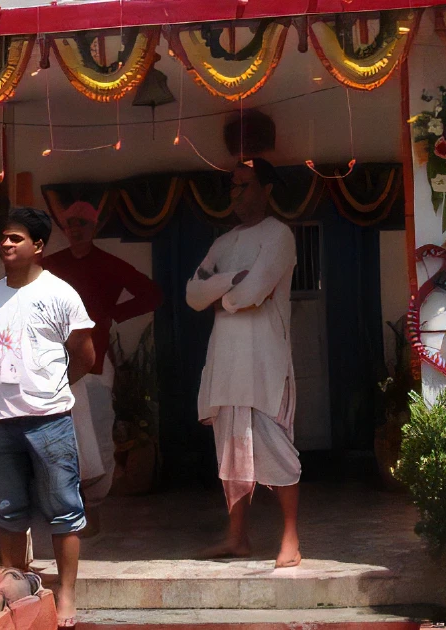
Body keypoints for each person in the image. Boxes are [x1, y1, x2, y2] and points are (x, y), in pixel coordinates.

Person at [0, 206, 95, 627]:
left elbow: (85, 355)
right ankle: (18, 596)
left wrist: (50, 390)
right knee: (8, 511)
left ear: (38, 245)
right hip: (3, 422)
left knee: (64, 511)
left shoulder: (61, 293)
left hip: (51, 421)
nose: (6, 243)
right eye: (4, 237)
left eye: (17, 238)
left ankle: (66, 595)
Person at [184, 159, 301, 569]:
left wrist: (224, 292)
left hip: (264, 357)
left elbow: (253, 291)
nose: (236, 195)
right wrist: (230, 284)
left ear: (266, 189)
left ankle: (291, 538)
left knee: (275, 445)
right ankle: (237, 538)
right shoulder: (224, 242)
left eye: (245, 186)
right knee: (231, 450)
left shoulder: (280, 235)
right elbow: (192, 294)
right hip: (226, 358)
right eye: (232, 188)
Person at [42, 201, 162, 536]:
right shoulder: (50, 266)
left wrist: (113, 315)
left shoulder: (109, 264)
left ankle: (92, 512)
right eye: (69, 223)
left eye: (82, 222)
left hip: (94, 363)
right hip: (54, 364)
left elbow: (152, 294)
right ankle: (66, 511)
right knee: (63, 438)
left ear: (94, 227)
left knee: (96, 437)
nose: (75, 228)